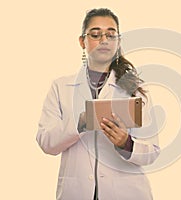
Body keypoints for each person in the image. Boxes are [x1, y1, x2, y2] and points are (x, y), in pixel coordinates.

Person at [36, 8, 160, 200]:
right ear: (82, 41)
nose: (103, 40)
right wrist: (79, 124)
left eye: (111, 35)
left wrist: (125, 144)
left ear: (118, 42)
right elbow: (46, 142)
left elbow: (152, 151)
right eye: (95, 34)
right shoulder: (61, 87)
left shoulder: (134, 89)